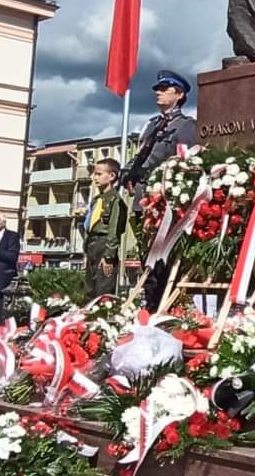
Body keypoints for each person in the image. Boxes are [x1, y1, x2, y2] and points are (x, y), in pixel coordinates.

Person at [122, 70, 197, 310]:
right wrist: (126, 173)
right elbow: (141, 154)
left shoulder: (186, 126)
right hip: (142, 199)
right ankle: (149, 302)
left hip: (162, 200)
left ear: (179, 94)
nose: (158, 93)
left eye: (165, 89)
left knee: (163, 258)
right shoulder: (152, 125)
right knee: (146, 255)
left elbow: (185, 161)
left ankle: (162, 306)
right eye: (158, 89)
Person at [83, 158, 127, 300]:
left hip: (104, 245)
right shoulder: (96, 200)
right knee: (89, 289)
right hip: (92, 245)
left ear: (112, 176)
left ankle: (103, 312)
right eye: (94, 174)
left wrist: (109, 256)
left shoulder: (115, 200)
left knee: (103, 289)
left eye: (99, 174)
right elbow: (89, 226)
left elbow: (114, 229)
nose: (95, 178)